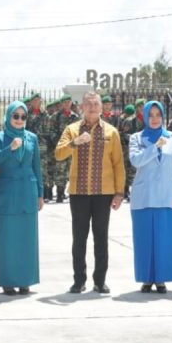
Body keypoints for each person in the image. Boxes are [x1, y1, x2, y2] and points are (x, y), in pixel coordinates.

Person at [55, 91, 126, 294]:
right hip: (79, 192)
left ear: (102, 107)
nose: (93, 107)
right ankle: (79, 280)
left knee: (101, 237)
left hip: (103, 193)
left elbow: (118, 164)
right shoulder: (72, 129)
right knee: (79, 238)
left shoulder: (111, 132)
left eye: (96, 104)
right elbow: (59, 154)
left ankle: (100, 280)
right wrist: (75, 142)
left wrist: (119, 193)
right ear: (81, 107)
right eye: (88, 104)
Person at [128, 101, 172, 293]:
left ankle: (162, 278)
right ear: (145, 117)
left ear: (163, 117)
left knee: (166, 238)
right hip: (144, 196)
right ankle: (146, 278)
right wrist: (156, 145)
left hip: (168, 196)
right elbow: (136, 160)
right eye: (151, 115)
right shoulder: (137, 138)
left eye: (158, 115)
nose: (155, 119)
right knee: (144, 237)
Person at [0, 100, 44, 295]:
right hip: (7, 193)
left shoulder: (32, 138)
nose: (20, 120)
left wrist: (40, 194)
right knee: (7, 239)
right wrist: (9, 148)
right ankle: (8, 281)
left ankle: (25, 280)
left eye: (23, 116)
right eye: (16, 116)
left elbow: (37, 167)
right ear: (8, 116)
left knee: (27, 239)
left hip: (27, 193)